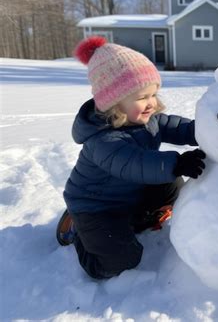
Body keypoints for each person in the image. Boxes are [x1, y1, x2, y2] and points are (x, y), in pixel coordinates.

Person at [56, 36, 206, 279]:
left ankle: (136, 219)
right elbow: (135, 164)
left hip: (128, 195)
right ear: (114, 102)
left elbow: (177, 127)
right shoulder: (102, 140)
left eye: (153, 94)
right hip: (96, 208)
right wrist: (178, 162)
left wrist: (208, 131)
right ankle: (80, 234)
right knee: (123, 260)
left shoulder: (146, 118)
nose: (152, 104)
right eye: (141, 97)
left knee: (172, 186)